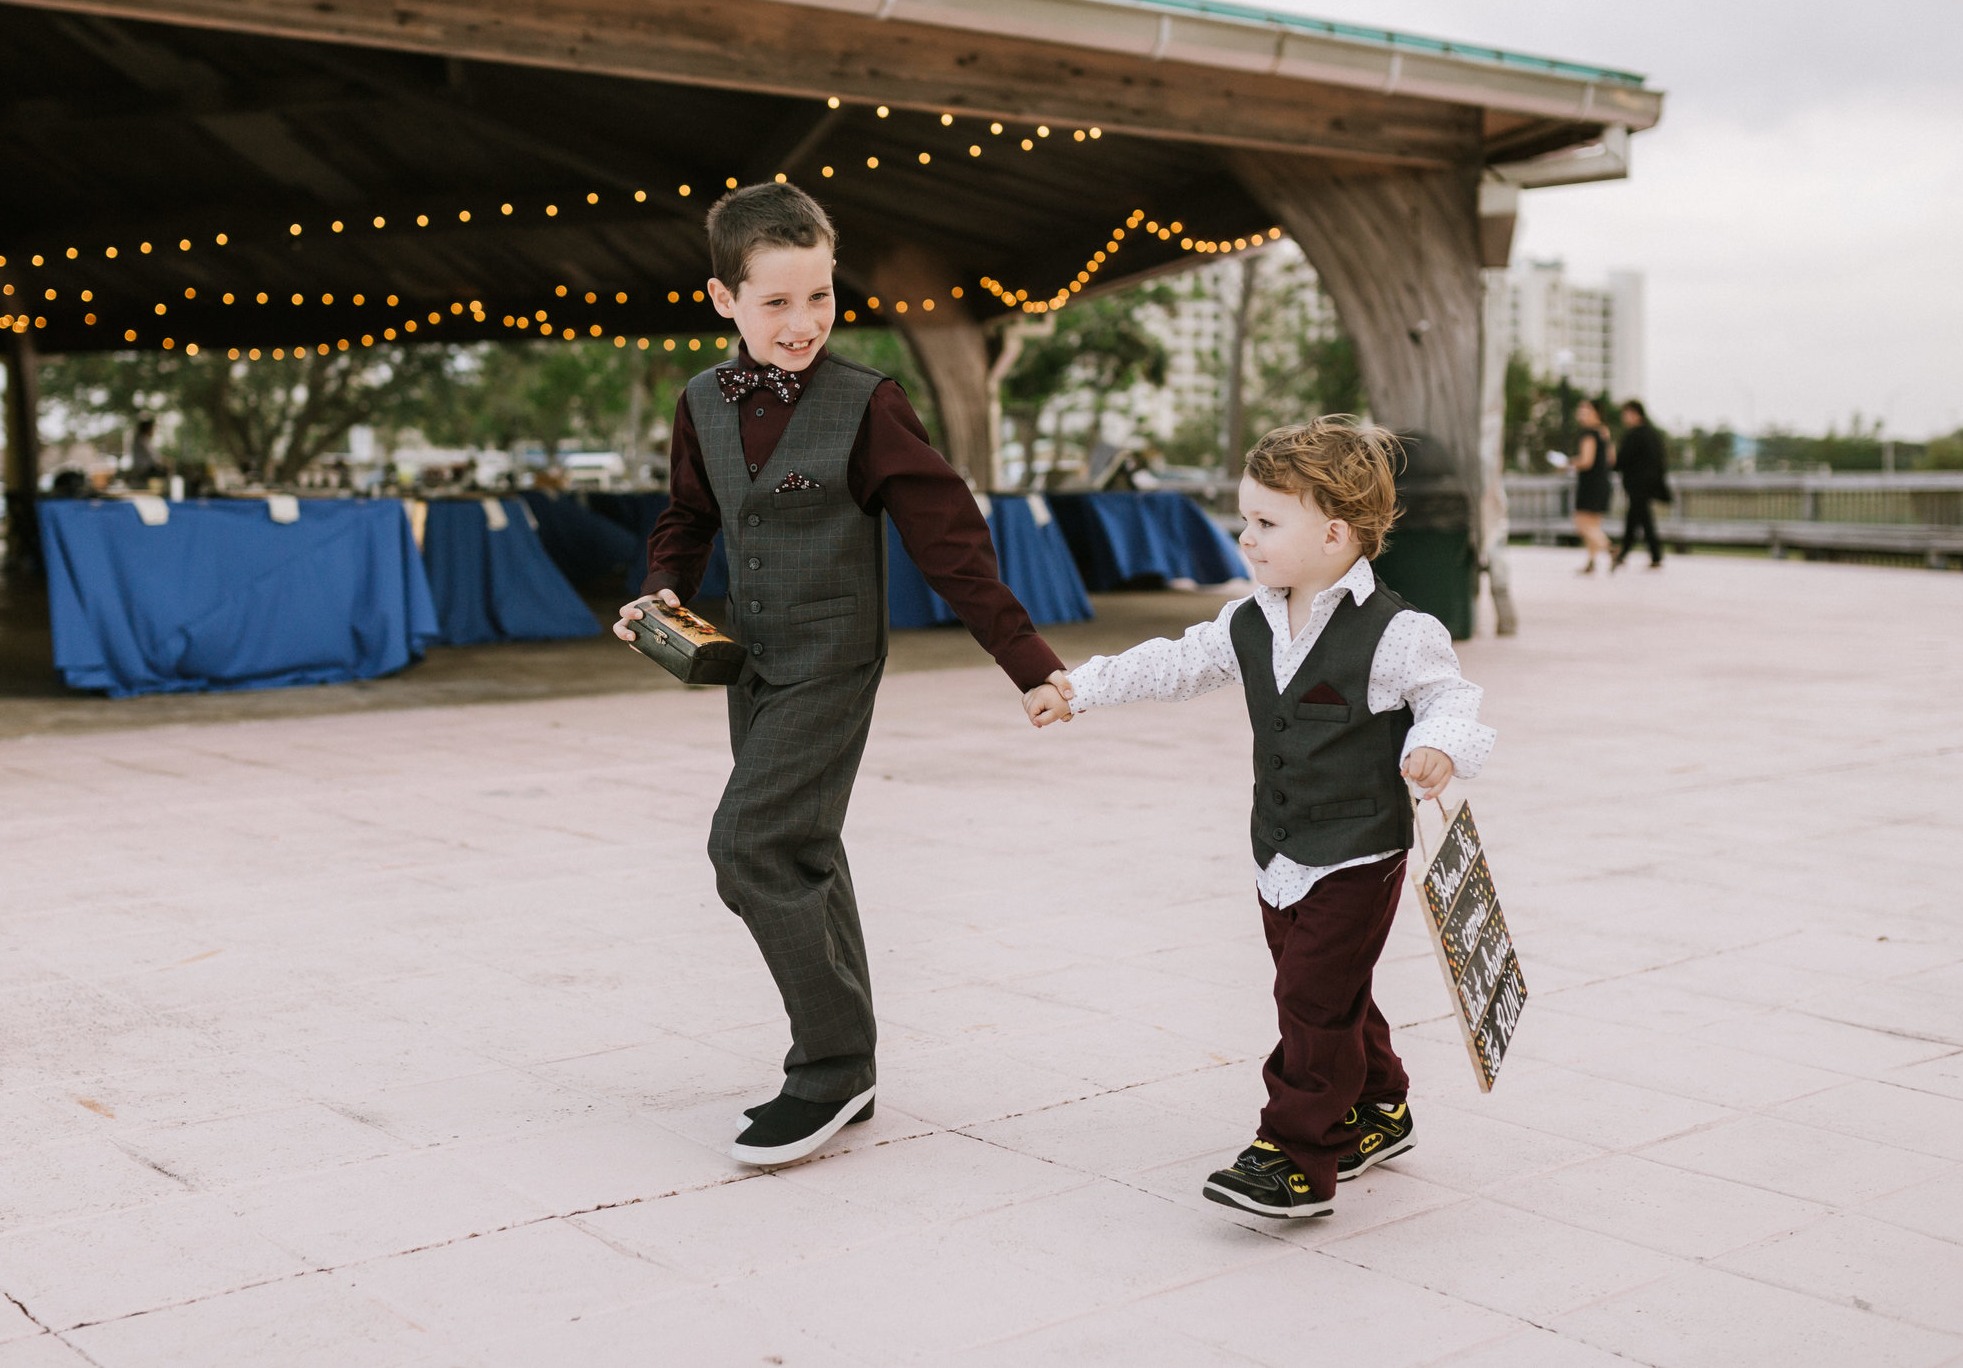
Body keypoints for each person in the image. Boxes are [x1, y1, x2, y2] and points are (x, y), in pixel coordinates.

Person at [615, 182, 1066, 1168]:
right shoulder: (701, 399)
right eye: (776, 301)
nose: (803, 322)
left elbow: (951, 542)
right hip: (747, 664)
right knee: (800, 848)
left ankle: (825, 1067)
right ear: (722, 298)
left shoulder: (868, 402)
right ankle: (848, 1060)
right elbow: (688, 516)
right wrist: (659, 591)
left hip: (831, 660)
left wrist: (1025, 661)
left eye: (818, 296)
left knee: (749, 846)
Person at [1026, 417, 1493, 1219]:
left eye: (1266, 522)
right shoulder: (1250, 619)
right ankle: (1381, 1106)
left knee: (1311, 999)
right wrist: (1082, 686)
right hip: (1277, 852)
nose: (1245, 536)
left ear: (1336, 533)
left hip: (1356, 852)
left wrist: (1438, 744)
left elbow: (1449, 695)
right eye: (1245, 518)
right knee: (1326, 989)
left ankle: (1297, 1152)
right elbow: (1175, 661)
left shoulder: (1397, 633)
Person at [1612, 399, 1669, 571]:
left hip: (1637, 485)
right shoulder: (1652, 435)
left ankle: (1629, 554)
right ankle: (1632, 553)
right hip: (1648, 485)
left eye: (1627, 414)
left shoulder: (1634, 435)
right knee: (1639, 519)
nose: (1625, 418)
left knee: (1640, 519)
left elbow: (1621, 461)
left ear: (1636, 414)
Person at [1569, 399, 1613, 574]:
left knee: (1581, 523)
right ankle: (1591, 562)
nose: (1581, 413)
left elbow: (1586, 461)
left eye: (1585, 410)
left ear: (1596, 413)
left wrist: (1569, 463)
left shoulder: (1588, 434)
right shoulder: (1604, 432)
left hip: (1590, 483)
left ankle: (1610, 549)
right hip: (1603, 481)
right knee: (1594, 525)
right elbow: (1611, 459)